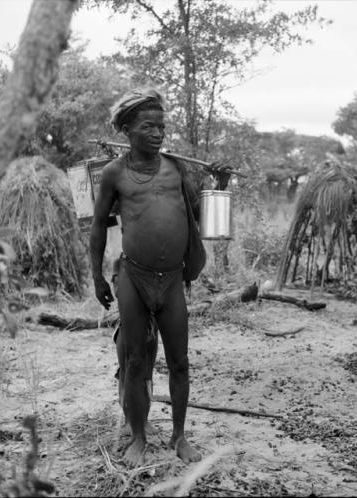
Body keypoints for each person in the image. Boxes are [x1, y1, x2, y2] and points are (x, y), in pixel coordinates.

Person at [90, 87, 230, 467]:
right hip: (133, 277)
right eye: (148, 126)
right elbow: (99, 228)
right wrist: (97, 277)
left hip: (172, 280)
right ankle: (137, 436)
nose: (157, 133)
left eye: (161, 126)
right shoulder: (114, 173)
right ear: (127, 131)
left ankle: (179, 435)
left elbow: (200, 215)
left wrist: (220, 186)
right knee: (136, 361)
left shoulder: (176, 169)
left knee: (180, 361)